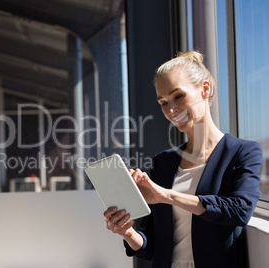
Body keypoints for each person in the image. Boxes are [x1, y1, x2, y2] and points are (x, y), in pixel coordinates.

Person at [103, 51, 262, 268]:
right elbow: (151, 247)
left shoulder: (243, 152)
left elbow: (240, 210)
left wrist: (166, 195)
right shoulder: (163, 163)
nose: (171, 109)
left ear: (204, 89)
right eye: (163, 102)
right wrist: (128, 232)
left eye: (178, 96)